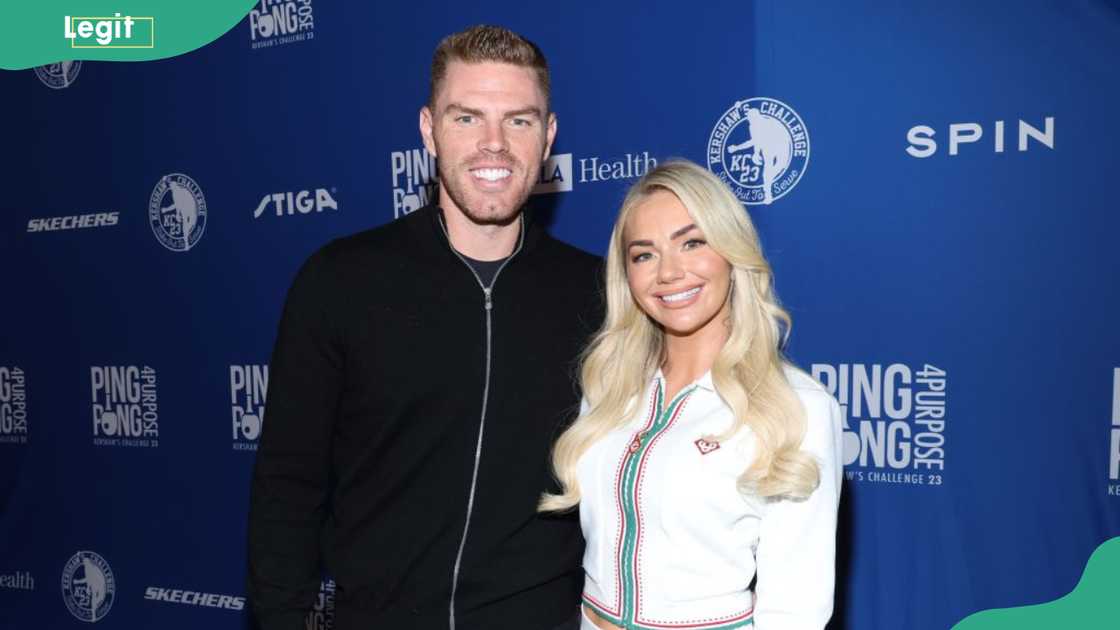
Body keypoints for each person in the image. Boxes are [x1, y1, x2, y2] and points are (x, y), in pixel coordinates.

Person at [248, 25, 601, 630]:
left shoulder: (598, 293)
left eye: (518, 121)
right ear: (427, 130)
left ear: (548, 137)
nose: (494, 144)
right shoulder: (340, 281)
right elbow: (288, 484)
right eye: (467, 118)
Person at [540, 160, 842, 630]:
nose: (669, 272)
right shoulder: (609, 385)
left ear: (730, 251)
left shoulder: (796, 405)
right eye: (644, 254)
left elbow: (796, 609)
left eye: (692, 243)